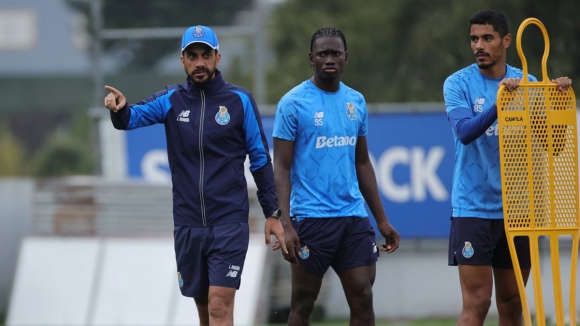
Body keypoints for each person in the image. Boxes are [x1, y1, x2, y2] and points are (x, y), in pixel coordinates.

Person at [103, 25, 288, 326]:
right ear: (183, 60)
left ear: (218, 57)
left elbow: (259, 159)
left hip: (228, 222)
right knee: (205, 312)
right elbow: (132, 116)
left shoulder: (240, 101)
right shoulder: (171, 100)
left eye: (205, 55)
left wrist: (272, 212)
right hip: (188, 224)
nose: (199, 62)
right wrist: (119, 110)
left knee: (218, 307)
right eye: (192, 56)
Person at [443, 9, 572, 326]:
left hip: (520, 210)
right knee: (478, 301)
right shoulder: (458, 83)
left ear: (506, 41)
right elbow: (464, 132)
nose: (479, 46)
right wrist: (500, 103)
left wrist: (558, 103)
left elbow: (552, 145)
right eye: (474, 39)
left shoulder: (527, 83)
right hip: (473, 208)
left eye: (487, 38)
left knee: (513, 303)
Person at [271, 27, 400, 326]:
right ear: (311, 59)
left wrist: (381, 219)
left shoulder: (356, 101)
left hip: (352, 218)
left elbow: (363, 163)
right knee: (303, 305)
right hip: (310, 220)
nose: (329, 59)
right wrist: (285, 222)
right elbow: (281, 168)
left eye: (335, 53)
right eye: (322, 53)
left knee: (363, 297)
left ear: (346, 58)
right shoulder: (293, 103)